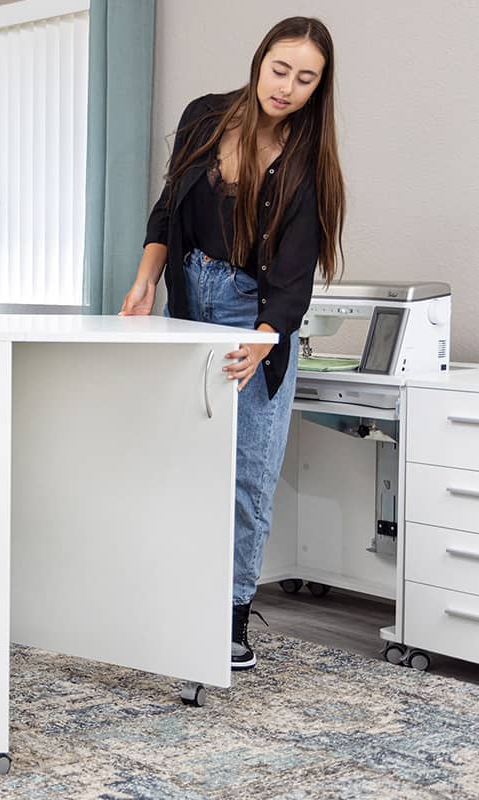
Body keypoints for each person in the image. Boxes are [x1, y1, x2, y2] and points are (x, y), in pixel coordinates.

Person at [119, 17, 345, 671]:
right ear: (259, 61)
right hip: (187, 302)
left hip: (256, 318)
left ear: (318, 88)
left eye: (305, 79)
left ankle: (230, 617)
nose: (287, 87)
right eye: (280, 69)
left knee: (246, 475)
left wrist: (265, 340)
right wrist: (144, 282)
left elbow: (295, 276)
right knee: (174, 459)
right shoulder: (205, 118)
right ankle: (166, 598)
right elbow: (167, 208)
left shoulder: (308, 165)